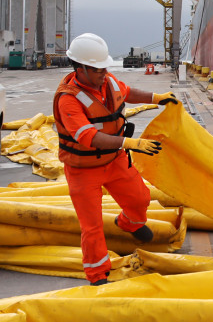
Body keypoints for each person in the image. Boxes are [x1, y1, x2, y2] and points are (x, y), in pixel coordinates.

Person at [54, 32, 178, 286]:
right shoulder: (68, 100)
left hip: (114, 160)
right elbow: (89, 137)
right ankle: (98, 275)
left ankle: (128, 223)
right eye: (98, 68)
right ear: (80, 68)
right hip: (82, 170)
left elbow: (128, 92)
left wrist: (156, 98)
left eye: (104, 67)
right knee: (92, 227)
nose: (104, 72)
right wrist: (130, 143)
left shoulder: (107, 81)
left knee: (141, 198)